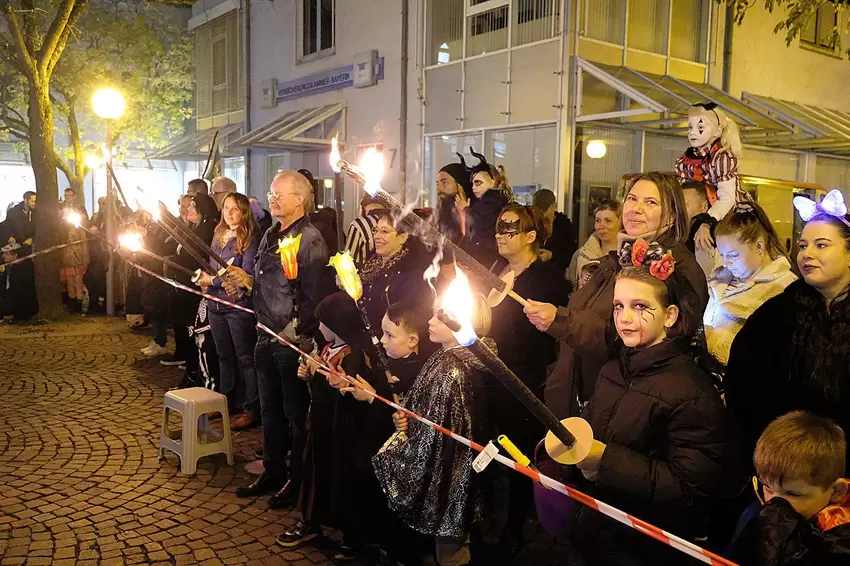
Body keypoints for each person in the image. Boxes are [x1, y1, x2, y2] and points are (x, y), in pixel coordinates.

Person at [567, 259, 739, 566]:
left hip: (645, 548)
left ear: (670, 315)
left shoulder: (692, 394)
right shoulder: (612, 370)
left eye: (641, 306)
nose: (625, 318)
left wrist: (606, 461)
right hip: (600, 533)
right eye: (618, 306)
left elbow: (691, 490)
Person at [526, 171, 709, 420]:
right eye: (632, 199)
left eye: (651, 202)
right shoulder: (617, 259)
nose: (636, 209)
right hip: (580, 398)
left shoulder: (674, 268)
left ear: (672, 214)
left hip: (627, 406)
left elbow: (637, 340)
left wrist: (561, 322)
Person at [724, 190, 850, 472]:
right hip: (786, 470)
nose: (806, 254)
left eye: (821, 245)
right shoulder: (777, 315)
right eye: (803, 245)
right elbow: (742, 391)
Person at [234, 171, 335, 509]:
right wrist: (248, 283)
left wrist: (300, 333)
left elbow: (314, 295)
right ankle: (273, 469)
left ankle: (297, 479)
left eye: (280, 194)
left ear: (300, 199)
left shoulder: (310, 239)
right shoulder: (270, 235)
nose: (273, 199)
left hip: (290, 342)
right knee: (270, 410)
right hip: (264, 333)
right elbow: (268, 283)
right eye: (271, 192)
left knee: (294, 413)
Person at [373, 295, 495, 566]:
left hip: (451, 476)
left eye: (440, 317)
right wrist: (409, 421)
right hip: (451, 473)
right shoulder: (446, 357)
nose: (430, 321)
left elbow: (440, 434)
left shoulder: (453, 372)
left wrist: (401, 449)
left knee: (451, 553)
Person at [485, 204, 571, 558]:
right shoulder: (494, 269)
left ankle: (515, 528)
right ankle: (489, 518)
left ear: (531, 236)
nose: (500, 235)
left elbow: (546, 335)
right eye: (498, 228)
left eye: (510, 229)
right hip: (489, 377)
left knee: (516, 455)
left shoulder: (546, 278)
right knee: (489, 454)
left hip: (522, 382)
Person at [277, 292, 368, 555]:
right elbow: (315, 376)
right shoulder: (326, 347)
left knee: (342, 480)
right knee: (314, 475)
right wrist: (307, 372)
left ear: (338, 324)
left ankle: (352, 535)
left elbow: (349, 392)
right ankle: (311, 520)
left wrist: (324, 375)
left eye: (323, 323)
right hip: (318, 426)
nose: (319, 328)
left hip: (341, 431)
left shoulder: (354, 355)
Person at [729, 411, 850, 565]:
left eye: (793, 494)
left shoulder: (840, 545)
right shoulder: (754, 514)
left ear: (836, 491)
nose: (774, 503)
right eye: (768, 488)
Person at [195, 192, 262, 431]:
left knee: (245, 357)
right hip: (215, 304)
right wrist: (207, 279)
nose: (230, 213)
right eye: (226, 208)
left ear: (244, 211)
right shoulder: (218, 235)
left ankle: (251, 407)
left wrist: (210, 280)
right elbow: (212, 266)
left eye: (235, 208)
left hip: (237, 307)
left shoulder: (250, 238)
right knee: (224, 355)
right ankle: (226, 400)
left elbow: (243, 273)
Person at [703, 202, 797, 367]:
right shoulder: (719, 279)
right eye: (722, 254)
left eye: (733, 255)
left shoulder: (785, 289)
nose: (725, 262)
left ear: (759, 247)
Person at [163, 193, 219, 369]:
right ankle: (188, 358)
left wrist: (171, 260)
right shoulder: (196, 227)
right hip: (183, 281)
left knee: (191, 324)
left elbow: (193, 256)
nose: (188, 209)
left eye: (192, 206)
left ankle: (193, 363)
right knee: (183, 321)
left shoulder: (207, 229)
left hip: (195, 283)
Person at [359, 210, 432, 332]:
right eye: (375, 230)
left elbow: (407, 320)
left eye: (384, 231)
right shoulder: (372, 263)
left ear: (403, 237)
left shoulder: (410, 272)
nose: (376, 236)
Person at [455, 148, 512, 268]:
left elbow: (480, 222)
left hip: (487, 259)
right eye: (473, 184)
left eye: (478, 183)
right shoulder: (492, 200)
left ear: (492, 181)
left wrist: (465, 209)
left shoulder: (493, 201)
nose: (474, 188)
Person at [567, 199, 620, 286]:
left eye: (608, 221)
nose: (601, 226)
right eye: (598, 221)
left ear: (620, 223)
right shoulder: (580, 255)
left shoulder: (628, 257)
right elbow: (572, 289)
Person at [532, 188, 576, 277]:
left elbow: (572, 256)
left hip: (555, 277)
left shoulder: (565, 227)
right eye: (538, 211)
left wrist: (552, 255)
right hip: (532, 274)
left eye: (545, 210)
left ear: (553, 207)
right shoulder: (530, 222)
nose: (542, 215)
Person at [59, 191, 90, 314]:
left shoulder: (79, 210)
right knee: (68, 280)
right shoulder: (61, 209)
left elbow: (84, 233)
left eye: (70, 196)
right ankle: (72, 303)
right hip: (66, 252)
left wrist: (85, 256)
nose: (68, 198)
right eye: (66, 196)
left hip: (77, 252)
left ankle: (79, 304)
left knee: (77, 279)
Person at [682, 180, 718, 278]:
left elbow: (704, 277)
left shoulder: (703, 231)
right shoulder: (676, 230)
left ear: (704, 206)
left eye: (685, 205)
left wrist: (705, 225)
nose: (679, 210)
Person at [436, 158, 476, 245]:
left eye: (444, 182)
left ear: (460, 184)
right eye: (437, 184)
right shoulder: (440, 214)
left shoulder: (477, 211)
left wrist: (466, 211)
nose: (439, 188)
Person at [0, 242, 37, 321]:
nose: (3, 256)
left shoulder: (22, 267)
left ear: (15, 255)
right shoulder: (10, 266)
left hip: (23, 303)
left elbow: (16, 289)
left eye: (7, 253)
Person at [344, 195, 386, 264]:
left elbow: (348, 260)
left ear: (363, 207)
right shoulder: (395, 223)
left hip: (364, 273)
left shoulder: (359, 225)